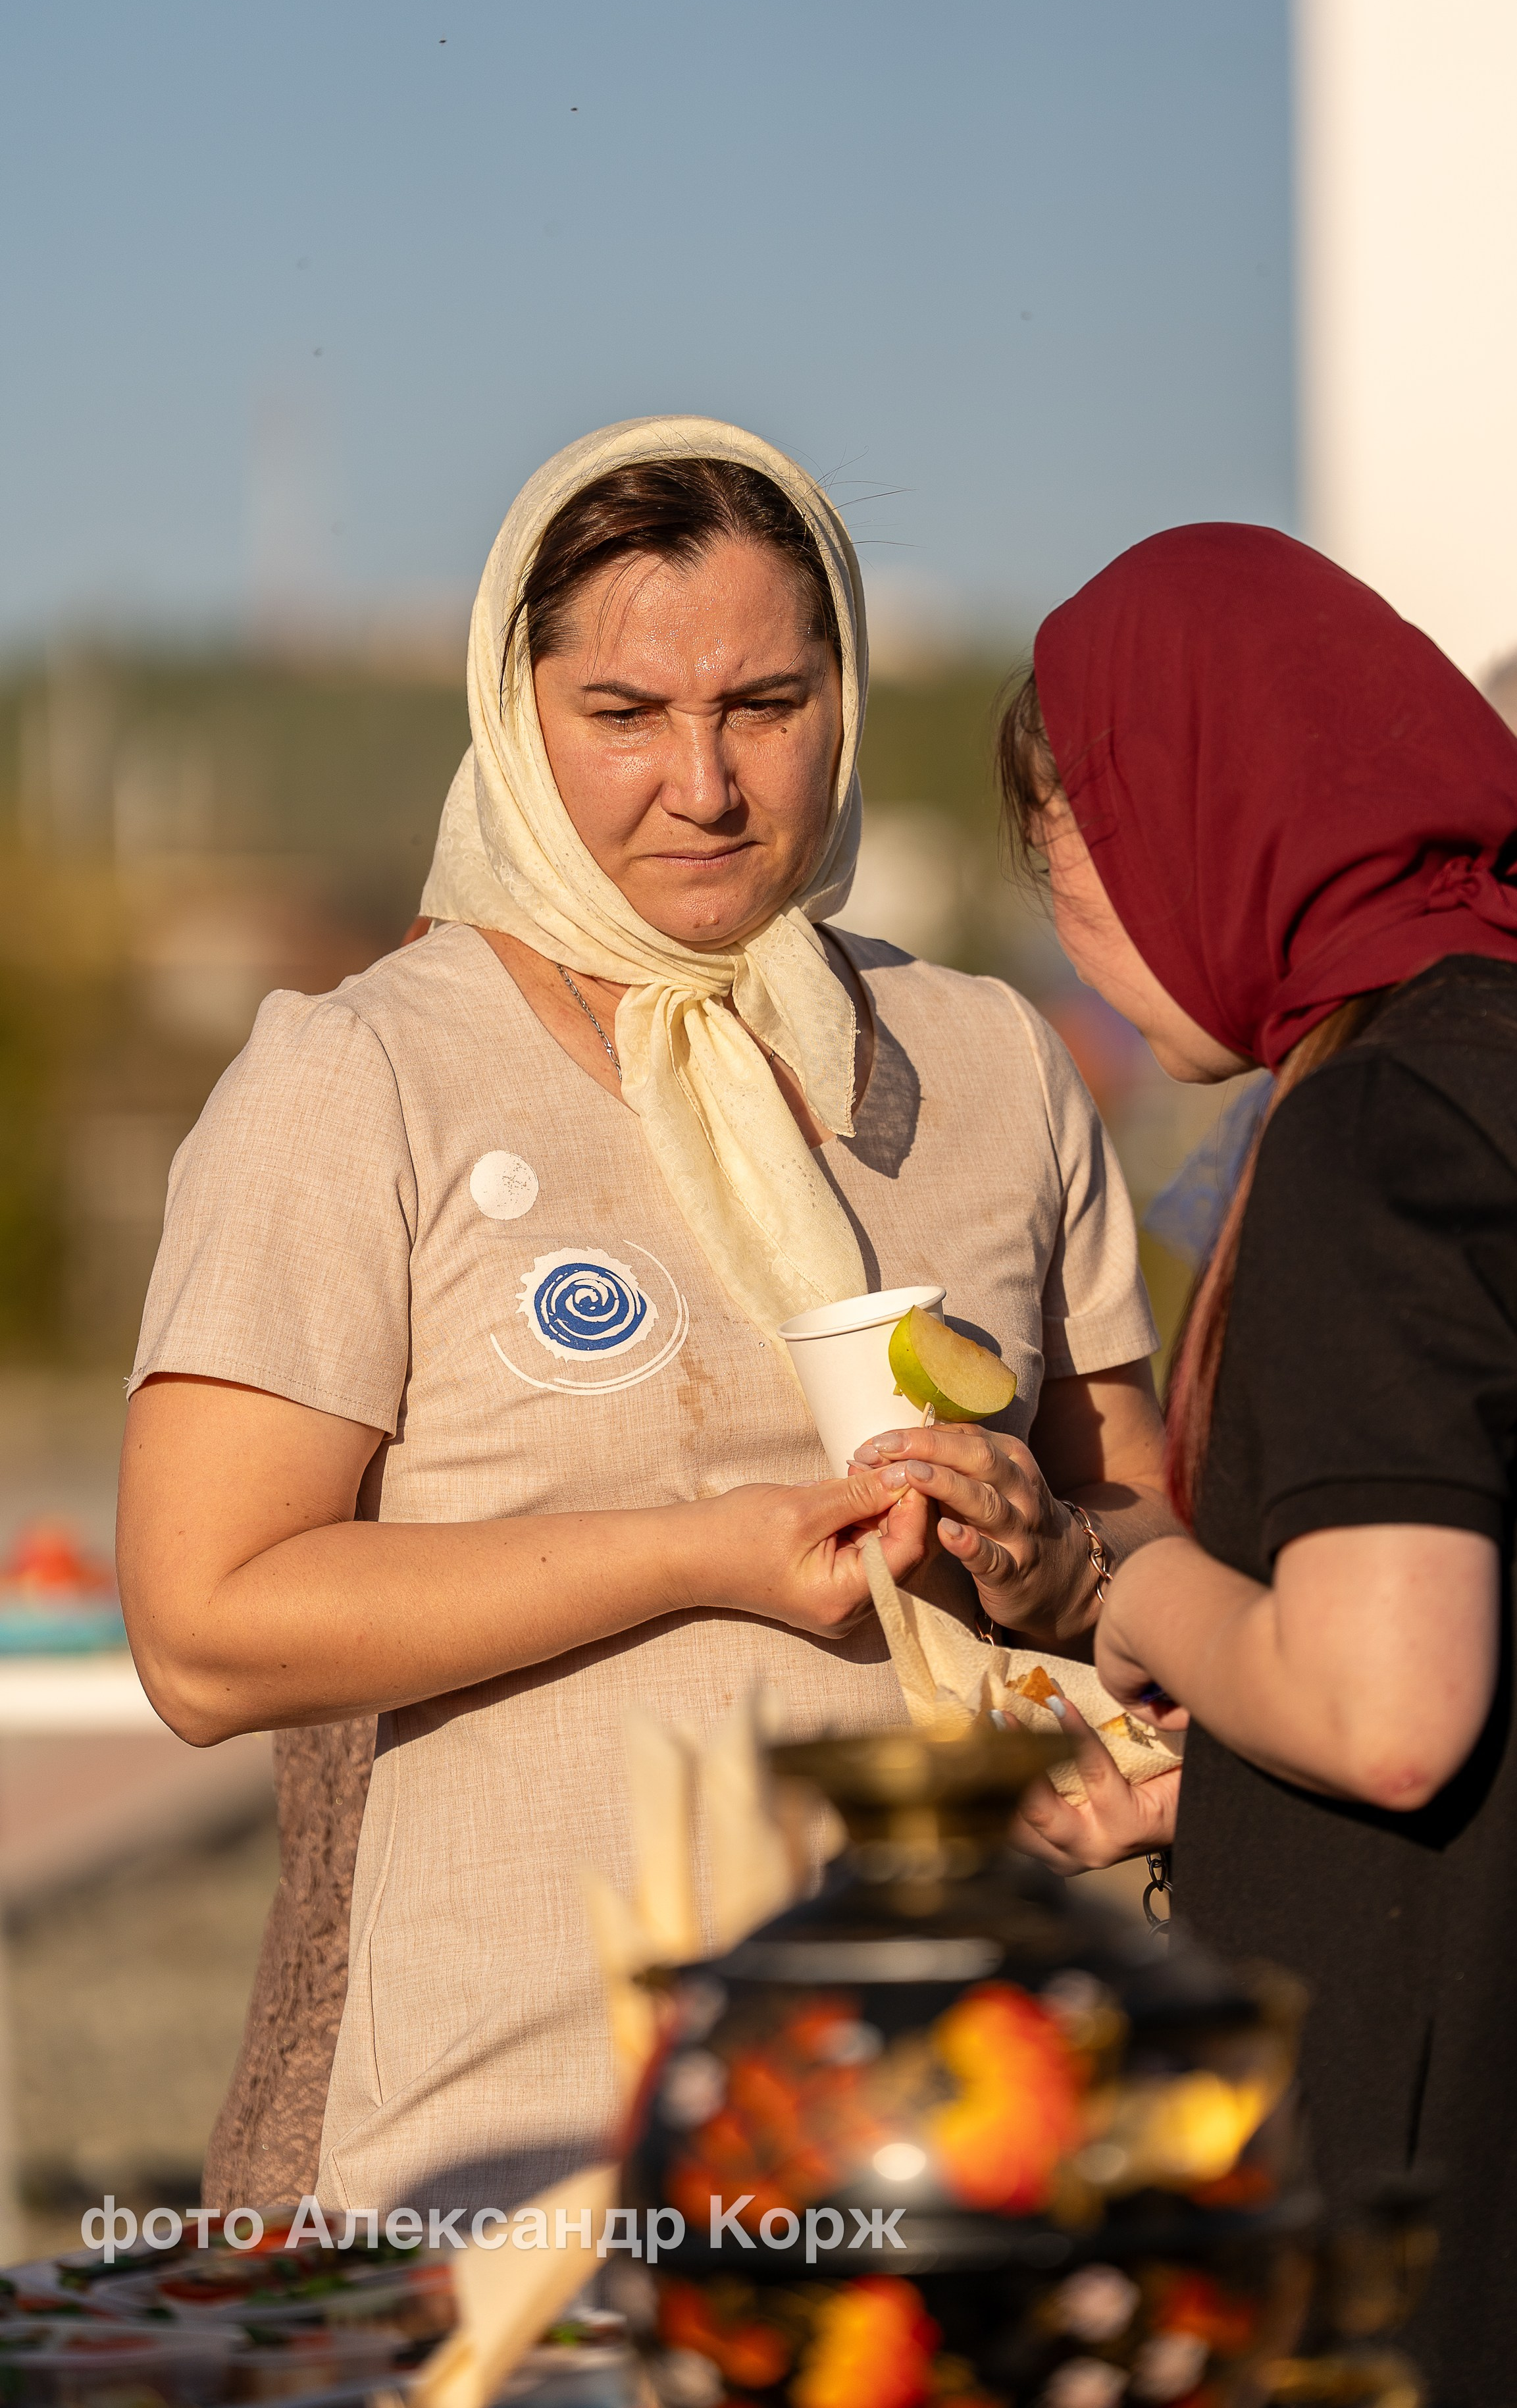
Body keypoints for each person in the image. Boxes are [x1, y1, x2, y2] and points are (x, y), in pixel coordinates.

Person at [117, 415, 1170, 2219]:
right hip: (530, 2143)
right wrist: (704, 1553)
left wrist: (1051, 1553)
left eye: (761, 703)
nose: (702, 781)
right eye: (623, 715)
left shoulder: (990, 1064)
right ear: (515, 715)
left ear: (841, 696)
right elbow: (207, 1631)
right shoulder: (363, 1080)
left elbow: (1153, 1533)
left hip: (965, 2116)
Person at [917, 521, 1517, 2407]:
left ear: (1206, 812)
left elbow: (1393, 1709)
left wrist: (1110, 1572)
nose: (1070, 933)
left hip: (1434, 2203)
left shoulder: (1372, 1136)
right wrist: (1223, 1794)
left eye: (1070, 860)